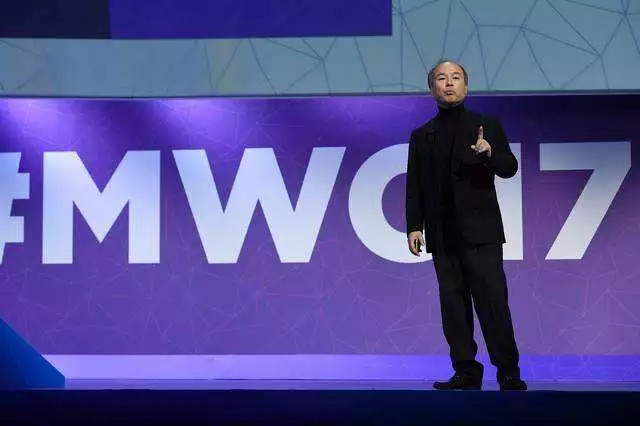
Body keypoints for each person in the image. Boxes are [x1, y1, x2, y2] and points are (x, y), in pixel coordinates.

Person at [405, 59, 527, 391]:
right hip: (442, 234)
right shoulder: (422, 135)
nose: (449, 83)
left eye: (456, 77)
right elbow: (415, 184)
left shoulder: (486, 126)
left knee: (493, 304)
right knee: (454, 308)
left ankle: (508, 371)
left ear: (466, 87)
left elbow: (509, 168)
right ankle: (466, 371)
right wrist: (414, 225)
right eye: (442, 78)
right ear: (432, 89)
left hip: (481, 234)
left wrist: (489, 153)